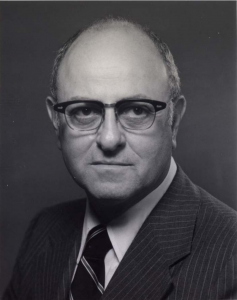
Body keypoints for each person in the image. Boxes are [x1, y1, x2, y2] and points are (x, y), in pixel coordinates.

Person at [3, 18, 237, 300]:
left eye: (137, 110)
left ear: (174, 122)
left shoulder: (230, 260)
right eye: (85, 111)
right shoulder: (44, 229)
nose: (109, 139)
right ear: (56, 121)